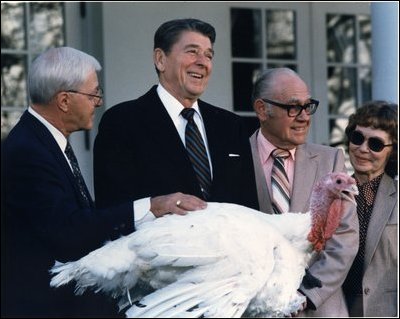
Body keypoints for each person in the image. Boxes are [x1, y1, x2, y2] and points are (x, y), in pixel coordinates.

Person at [1, 46, 206, 317]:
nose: (98, 102)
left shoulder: (42, 141)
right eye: (93, 94)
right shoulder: (29, 151)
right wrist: (152, 207)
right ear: (64, 100)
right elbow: (69, 230)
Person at [93, 18, 258, 212]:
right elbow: (114, 210)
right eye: (192, 52)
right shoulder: (122, 122)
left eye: (208, 55)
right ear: (160, 59)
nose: (203, 62)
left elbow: (249, 209)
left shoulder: (231, 125)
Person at [249, 68, 359, 316]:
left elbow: (344, 239)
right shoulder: (235, 157)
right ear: (262, 109)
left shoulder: (330, 160)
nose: (304, 117)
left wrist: (303, 297)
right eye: (292, 107)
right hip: (253, 307)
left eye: (307, 106)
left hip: (316, 308)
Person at [342, 101, 398, 317]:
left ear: (392, 151)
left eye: (375, 144)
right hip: (333, 309)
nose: (363, 149)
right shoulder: (333, 192)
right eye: (357, 138)